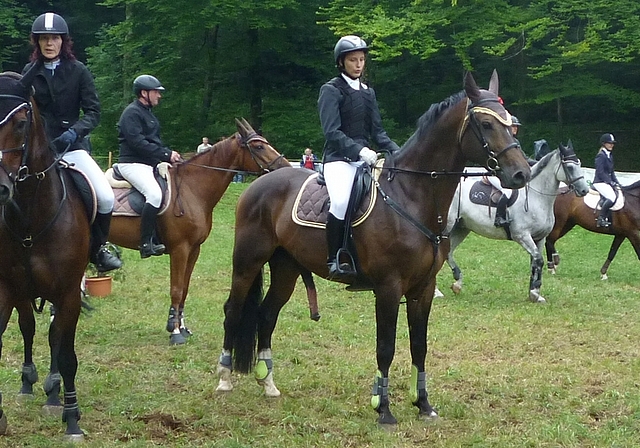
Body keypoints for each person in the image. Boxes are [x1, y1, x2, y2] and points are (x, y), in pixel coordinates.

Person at [23, 12, 121, 272]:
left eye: (54, 38)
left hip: (70, 147)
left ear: (63, 41)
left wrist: (74, 132)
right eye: (44, 39)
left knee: (106, 196)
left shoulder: (79, 71)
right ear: (37, 42)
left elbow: (93, 113)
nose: (49, 43)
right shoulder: (28, 73)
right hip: (35, 151)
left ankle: (98, 249)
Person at [318, 35, 400, 280]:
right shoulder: (331, 90)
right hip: (338, 160)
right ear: (341, 63)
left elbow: (378, 132)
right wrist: (359, 151)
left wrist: (398, 151)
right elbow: (331, 132)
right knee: (342, 202)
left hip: (366, 160)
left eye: (361, 60)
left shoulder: (368, 93)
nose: (358, 64)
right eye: (353, 60)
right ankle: (335, 258)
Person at [116, 74, 182, 258]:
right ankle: (146, 242)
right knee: (153, 194)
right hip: (132, 164)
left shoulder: (148, 113)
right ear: (144, 93)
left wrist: (168, 156)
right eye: (156, 92)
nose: (159, 96)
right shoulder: (131, 113)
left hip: (148, 164)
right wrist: (166, 154)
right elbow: (137, 142)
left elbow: (153, 142)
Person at [487, 114, 522, 228]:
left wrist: (539, 163)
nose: (515, 129)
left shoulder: (514, 142)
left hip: (503, 174)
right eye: (513, 126)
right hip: (492, 173)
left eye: (516, 126)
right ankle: (499, 218)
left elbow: (524, 159)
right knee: (507, 192)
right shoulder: (500, 142)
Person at [592, 133, 619, 228]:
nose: (612, 145)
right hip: (599, 182)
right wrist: (609, 182)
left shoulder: (609, 155)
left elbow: (611, 172)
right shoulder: (601, 156)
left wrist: (617, 183)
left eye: (612, 143)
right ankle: (601, 218)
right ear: (604, 144)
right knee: (611, 197)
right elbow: (600, 172)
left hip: (606, 182)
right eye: (609, 143)